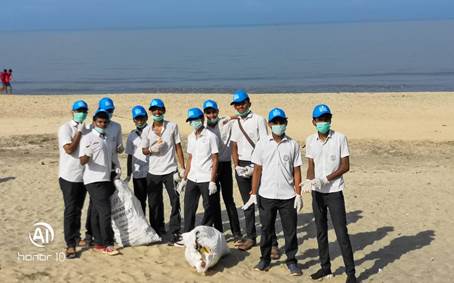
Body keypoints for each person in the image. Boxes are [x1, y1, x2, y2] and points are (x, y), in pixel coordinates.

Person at [243, 108, 303, 275]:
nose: (278, 125)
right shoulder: (262, 144)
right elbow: (257, 170)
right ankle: (264, 259)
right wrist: (253, 193)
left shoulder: (293, 144)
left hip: (288, 196)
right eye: (275, 122)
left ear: (286, 122)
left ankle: (292, 260)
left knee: (290, 230)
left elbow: (297, 171)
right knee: (266, 229)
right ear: (269, 124)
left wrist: (298, 193)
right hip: (266, 195)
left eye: (281, 122)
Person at [304, 104, 356, 283]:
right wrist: (310, 181)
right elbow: (310, 166)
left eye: (326, 119)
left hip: (334, 192)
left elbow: (345, 166)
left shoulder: (340, 138)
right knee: (321, 232)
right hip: (317, 193)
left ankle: (351, 273)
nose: (324, 122)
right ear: (314, 121)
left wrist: (325, 179)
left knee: (341, 233)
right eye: (320, 119)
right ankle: (325, 268)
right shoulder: (310, 140)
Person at [230, 90, 280, 256]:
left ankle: (272, 242)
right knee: (247, 204)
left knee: (264, 205)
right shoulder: (234, 122)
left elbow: (265, 144)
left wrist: (256, 165)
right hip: (241, 166)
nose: (240, 106)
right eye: (237, 104)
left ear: (249, 102)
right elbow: (234, 146)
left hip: (257, 165)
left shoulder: (259, 120)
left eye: (242, 103)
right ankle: (251, 236)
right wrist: (236, 165)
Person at [141, 98, 186, 246]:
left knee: (175, 201)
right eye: (154, 110)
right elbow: (144, 150)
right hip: (153, 172)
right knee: (154, 202)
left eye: (159, 109)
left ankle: (174, 231)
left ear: (164, 110)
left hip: (170, 170)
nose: (157, 112)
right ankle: (157, 229)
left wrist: (182, 167)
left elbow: (178, 147)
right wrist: (152, 149)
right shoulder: (147, 130)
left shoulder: (172, 126)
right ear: (151, 112)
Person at [79, 109, 120, 256]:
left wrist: (117, 169)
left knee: (96, 212)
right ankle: (108, 243)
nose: (102, 124)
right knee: (105, 212)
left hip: (107, 178)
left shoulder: (107, 137)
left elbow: (112, 156)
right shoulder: (87, 137)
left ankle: (98, 242)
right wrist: (87, 156)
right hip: (93, 180)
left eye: (105, 122)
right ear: (94, 122)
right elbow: (82, 160)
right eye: (99, 122)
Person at [85, 97, 124, 245]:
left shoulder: (116, 127)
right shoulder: (91, 127)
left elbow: (119, 147)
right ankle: (91, 234)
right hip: (96, 173)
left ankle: (105, 233)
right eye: (107, 111)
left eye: (111, 111)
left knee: (106, 203)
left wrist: (120, 150)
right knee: (95, 205)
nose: (109, 114)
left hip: (112, 169)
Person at [203, 99, 242, 240]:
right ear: (204, 114)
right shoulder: (203, 128)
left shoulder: (225, 122)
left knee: (228, 199)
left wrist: (231, 116)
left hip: (225, 165)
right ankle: (219, 232)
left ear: (217, 112)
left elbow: (241, 116)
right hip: (211, 167)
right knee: (213, 201)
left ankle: (236, 232)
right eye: (208, 113)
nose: (211, 115)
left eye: (213, 112)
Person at [177, 107, 219, 237]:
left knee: (209, 208)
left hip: (206, 178)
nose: (193, 122)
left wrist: (213, 181)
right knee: (189, 207)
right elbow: (190, 158)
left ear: (202, 119)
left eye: (195, 119)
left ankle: (204, 233)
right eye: (191, 120)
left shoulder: (211, 136)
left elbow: (215, 159)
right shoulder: (190, 137)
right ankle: (187, 234)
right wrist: (184, 178)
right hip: (192, 178)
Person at [57, 100, 89, 258]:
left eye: (84, 110)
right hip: (68, 175)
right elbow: (69, 149)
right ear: (73, 111)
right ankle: (70, 244)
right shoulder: (65, 128)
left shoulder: (87, 129)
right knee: (70, 209)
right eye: (79, 110)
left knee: (78, 209)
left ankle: (76, 237)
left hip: (84, 175)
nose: (81, 112)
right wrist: (79, 133)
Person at [124, 105, 149, 214]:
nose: (140, 121)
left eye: (142, 118)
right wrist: (129, 173)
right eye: (137, 118)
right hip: (138, 173)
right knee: (140, 201)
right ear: (134, 120)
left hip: (152, 171)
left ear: (146, 117)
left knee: (154, 201)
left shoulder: (152, 131)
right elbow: (130, 155)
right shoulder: (131, 135)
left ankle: (156, 226)